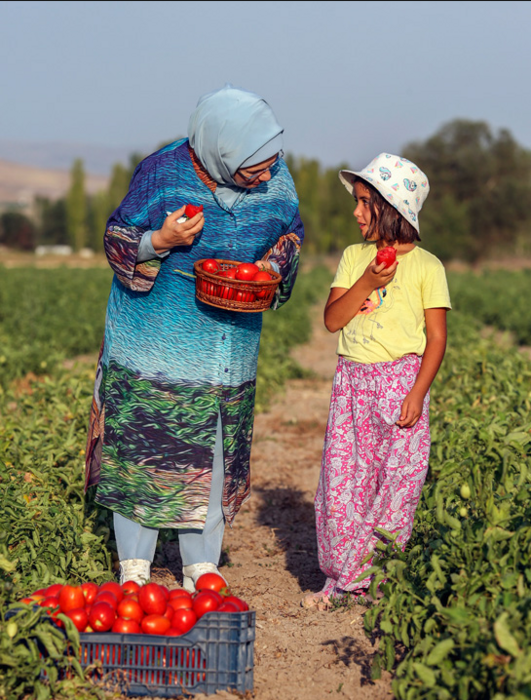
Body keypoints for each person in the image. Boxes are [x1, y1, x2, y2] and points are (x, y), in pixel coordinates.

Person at [84, 84, 304, 591]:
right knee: (146, 445)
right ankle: (134, 564)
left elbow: (291, 234)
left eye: (271, 160)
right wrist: (160, 241)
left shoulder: (277, 175)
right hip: (155, 340)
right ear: (220, 150)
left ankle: (199, 562)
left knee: (214, 448)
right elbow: (118, 239)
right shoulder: (161, 173)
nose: (267, 173)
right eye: (255, 166)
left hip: (229, 345)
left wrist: (273, 266)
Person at [302, 153, 451, 609]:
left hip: (401, 384)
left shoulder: (428, 267)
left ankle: (378, 578)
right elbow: (332, 321)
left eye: (364, 202)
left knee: (397, 482)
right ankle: (343, 575)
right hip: (353, 384)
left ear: (390, 207)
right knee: (344, 482)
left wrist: (417, 393)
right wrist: (367, 280)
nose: (356, 211)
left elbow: (437, 339)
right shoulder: (354, 259)